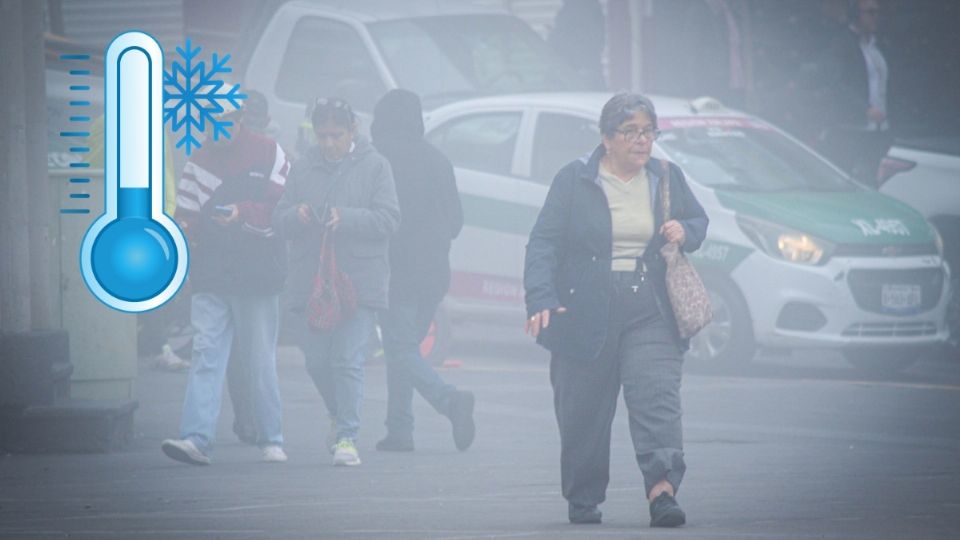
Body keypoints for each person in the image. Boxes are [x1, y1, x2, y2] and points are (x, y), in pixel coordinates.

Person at [523, 93, 708, 527]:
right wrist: (541, 297)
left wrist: (686, 230)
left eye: (648, 132)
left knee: (657, 397)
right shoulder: (574, 179)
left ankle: (662, 492)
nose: (642, 141)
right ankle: (584, 496)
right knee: (582, 409)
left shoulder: (666, 176)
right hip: (584, 306)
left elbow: (697, 221)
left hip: (649, 306)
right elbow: (544, 242)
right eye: (631, 132)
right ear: (607, 139)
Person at [160, 96, 291, 466]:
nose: (216, 131)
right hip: (212, 275)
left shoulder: (270, 152)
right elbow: (186, 214)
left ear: (240, 119)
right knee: (206, 355)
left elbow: (286, 208)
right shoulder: (197, 161)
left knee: (260, 360)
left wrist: (243, 213)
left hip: (257, 275)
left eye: (224, 123)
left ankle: (272, 438)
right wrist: (182, 232)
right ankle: (197, 438)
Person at [273, 97, 400, 467]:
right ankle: (338, 413)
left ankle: (347, 436)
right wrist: (296, 215)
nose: (328, 142)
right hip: (309, 282)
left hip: (359, 281)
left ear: (353, 131)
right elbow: (278, 219)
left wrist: (346, 217)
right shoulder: (303, 167)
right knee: (316, 362)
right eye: (322, 135)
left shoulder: (376, 166)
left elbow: (389, 219)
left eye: (336, 135)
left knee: (346, 360)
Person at [369, 89, 475, 453]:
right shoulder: (438, 160)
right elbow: (457, 221)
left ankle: (450, 401)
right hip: (433, 275)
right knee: (405, 349)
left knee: (399, 350)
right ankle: (399, 429)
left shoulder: (377, 158)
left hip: (394, 273)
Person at [821, 0, 892, 183]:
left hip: (878, 129)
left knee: (871, 180)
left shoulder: (877, 46)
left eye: (878, 12)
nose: (875, 17)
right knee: (842, 178)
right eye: (870, 12)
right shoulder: (842, 44)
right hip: (850, 128)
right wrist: (864, 109)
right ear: (856, 15)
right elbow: (836, 83)